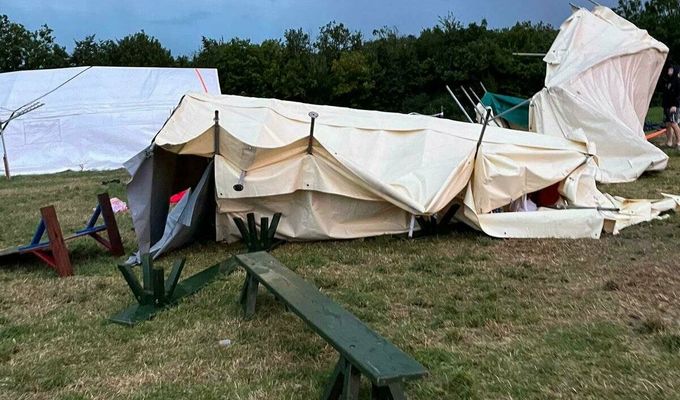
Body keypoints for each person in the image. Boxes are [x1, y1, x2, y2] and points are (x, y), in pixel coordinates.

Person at [662, 64, 680, 148]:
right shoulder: (668, 81)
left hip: (674, 106)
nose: (669, 70)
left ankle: (679, 142)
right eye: (669, 69)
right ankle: (669, 142)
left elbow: (678, 95)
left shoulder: (677, 81)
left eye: (671, 69)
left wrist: (675, 105)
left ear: (675, 70)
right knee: (668, 124)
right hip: (667, 106)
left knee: (674, 123)